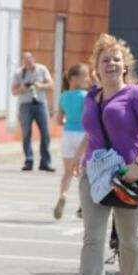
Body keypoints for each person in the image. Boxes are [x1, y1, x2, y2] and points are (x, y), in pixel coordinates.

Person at [74, 33, 138, 275]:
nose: (111, 63)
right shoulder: (91, 97)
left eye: (116, 59)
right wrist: (78, 158)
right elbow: (92, 131)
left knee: (129, 239)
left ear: (125, 66)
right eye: (105, 60)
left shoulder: (136, 95)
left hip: (127, 177)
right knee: (93, 238)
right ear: (96, 67)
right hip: (94, 175)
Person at [53, 63, 90, 219]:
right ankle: (83, 205)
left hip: (67, 134)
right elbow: (90, 118)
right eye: (85, 76)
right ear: (75, 79)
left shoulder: (64, 96)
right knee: (83, 173)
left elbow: (58, 120)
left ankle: (63, 195)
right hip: (83, 136)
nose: (87, 79)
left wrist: (70, 120)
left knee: (68, 172)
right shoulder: (86, 96)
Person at [12, 52, 54, 172]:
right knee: (26, 134)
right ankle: (28, 160)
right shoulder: (19, 73)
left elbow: (51, 86)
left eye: (30, 60)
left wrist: (40, 86)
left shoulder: (42, 69)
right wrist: (23, 88)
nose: (28, 63)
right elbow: (13, 91)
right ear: (23, 62)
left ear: (33, 59)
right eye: (25, 61)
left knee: (46, 134)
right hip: (25, 105)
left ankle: (45, 162)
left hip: (40, 104)